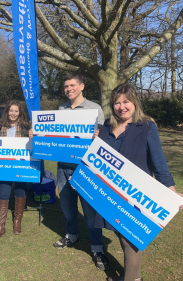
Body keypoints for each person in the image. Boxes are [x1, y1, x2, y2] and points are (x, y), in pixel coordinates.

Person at [93, 84, 183, 281]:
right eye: (117, 103)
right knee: (122, 236)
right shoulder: (105, 127)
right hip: (111, 193)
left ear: (135, 102)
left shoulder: (147, 126)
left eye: (126, 102)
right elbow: (96, 158)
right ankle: (134, 277)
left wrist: (171, 192)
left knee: (131, 239)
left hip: (135, 194)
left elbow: (159, 162)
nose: (121, 107)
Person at [53, 72, 109, 270]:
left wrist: (98, 136)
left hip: (86, 168)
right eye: (66, 86)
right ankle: (72, 237)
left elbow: (103, 139)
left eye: (72, 85)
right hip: (63, 167)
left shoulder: (94, 108)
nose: (69, 89)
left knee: (90, 212)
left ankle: (97, 248)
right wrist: (39, 134)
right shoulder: (61, 108)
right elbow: (57, 136)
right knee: (68, 208)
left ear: (82, 86)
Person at [0, 100, 31, 241]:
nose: (13, 113)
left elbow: (34, 145)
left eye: (16, 111)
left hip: (21, 166)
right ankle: (0, 228)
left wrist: (33, 137)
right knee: (3, 193)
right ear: (7, 111)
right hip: (4, 166)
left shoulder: (27, 127)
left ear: (20, 112)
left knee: (20, 191)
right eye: (11, 110)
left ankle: (17, 222)